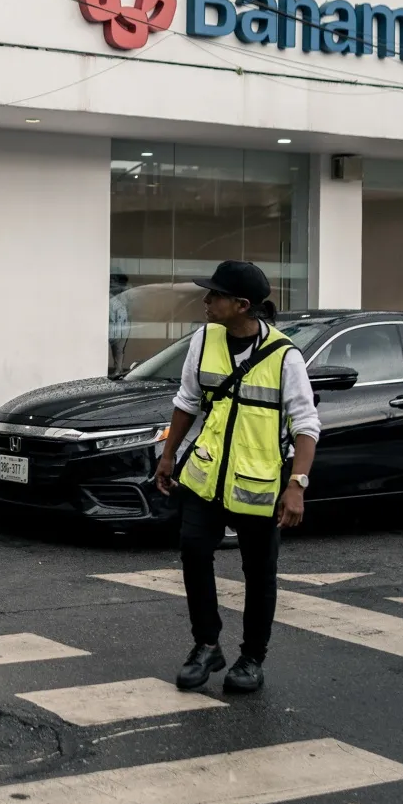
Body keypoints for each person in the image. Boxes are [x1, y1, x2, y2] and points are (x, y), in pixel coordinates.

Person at [152, 260, 321, 696]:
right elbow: (187, 400)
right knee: (192, 552)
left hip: (258, 483)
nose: (206, 302)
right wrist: (169, 455)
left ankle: (252, 658)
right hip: (205, 474)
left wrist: (296, 486)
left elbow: (306, 425)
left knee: (259, 572)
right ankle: (207, 644)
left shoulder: (285, 357)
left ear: (242, 305)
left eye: (215, 295)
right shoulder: (204, 340)